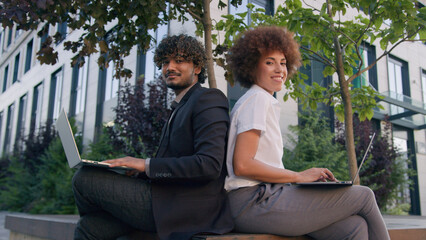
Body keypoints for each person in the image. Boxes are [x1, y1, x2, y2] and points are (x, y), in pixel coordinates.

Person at [224, 26, 390, 240]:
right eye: (269, 62)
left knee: (354, 227)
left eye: (283, 63)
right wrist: (298, 176)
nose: (279, 70)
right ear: (251, 66)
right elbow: (243, 165)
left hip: (266, 198)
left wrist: (302, 180)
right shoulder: (257, 99)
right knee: (364, 196)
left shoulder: (259, 100)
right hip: (252, 203)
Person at [72, 34, 234, 240]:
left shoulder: (208, 98)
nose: (170, 67)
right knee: (89, 227)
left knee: (85, 178)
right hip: (165, 200)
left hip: (186, 210)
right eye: (165, 62)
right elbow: (174, 163)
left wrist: (147, 165)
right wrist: (137, 172)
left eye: (179, 60)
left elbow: (209, 165)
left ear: (198, 68)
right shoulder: (179, 107)